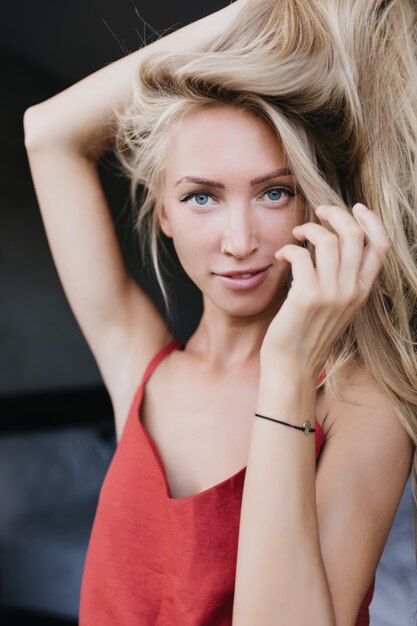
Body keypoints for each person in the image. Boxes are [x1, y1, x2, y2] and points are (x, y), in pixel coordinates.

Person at [23, 0, 417, 624]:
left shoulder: (362, 400)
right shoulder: (141, 368)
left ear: (314, 206)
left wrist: (287, 369)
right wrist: (268, 9)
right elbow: (47, 135)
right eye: (201, 196)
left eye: (275, 192)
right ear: (163, 214)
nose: (239, 240)